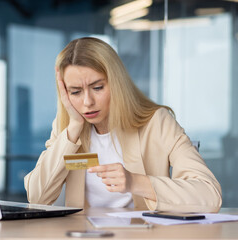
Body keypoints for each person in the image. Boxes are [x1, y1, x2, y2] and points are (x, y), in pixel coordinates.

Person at [24, 37, 222, 212]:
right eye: (75, 92)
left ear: (117, 82)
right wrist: (73, 128)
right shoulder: (67, 127)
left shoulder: (157, 122)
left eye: (98, 87)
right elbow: (37, 198)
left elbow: (210, 195)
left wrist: (136, 182)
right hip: (84, 234)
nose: (87, 102)